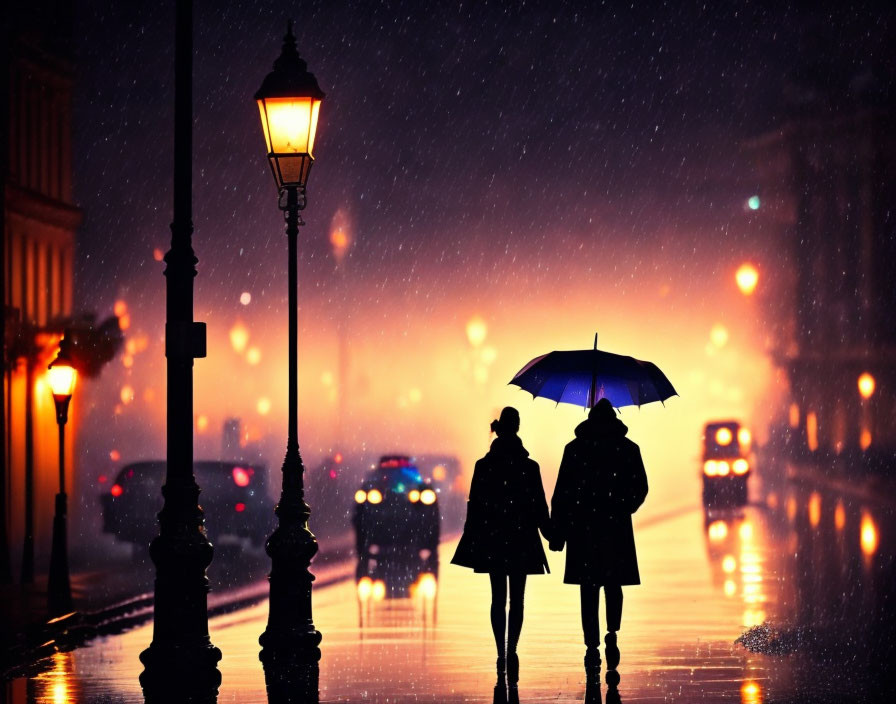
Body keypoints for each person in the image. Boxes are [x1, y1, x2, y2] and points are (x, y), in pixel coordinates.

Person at [452, 407, 551, 701]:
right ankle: (512, 651)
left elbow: (475, 506)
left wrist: (473, 539)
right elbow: (539, 508)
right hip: (521, 538)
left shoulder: (484, 466)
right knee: (517, 599)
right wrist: (553, 535)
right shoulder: (529, 467)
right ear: (517, 427)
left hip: (494, 539)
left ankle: (500, 653)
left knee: (497, 598)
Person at [549, 398, 648, 681]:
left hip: (584, 529)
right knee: (613, 586)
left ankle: (591, 645)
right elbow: (640, 487)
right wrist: (623, 505)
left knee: (588, 590)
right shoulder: (627, 449)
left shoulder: (575, 450)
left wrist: (559, 531)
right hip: (615, 528)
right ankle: (612, 633)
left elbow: (562, 495)